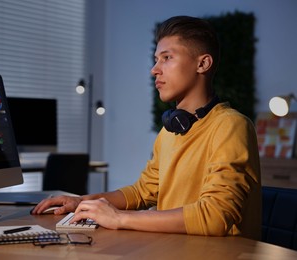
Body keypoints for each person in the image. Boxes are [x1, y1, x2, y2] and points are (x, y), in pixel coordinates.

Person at [31, 15, 262, 240]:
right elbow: (142, 192)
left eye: (167, 58)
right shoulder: (169, 131)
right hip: (175, 249)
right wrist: (82, 202)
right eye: (156, 59)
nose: (154, 69)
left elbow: (216, 215)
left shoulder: (231, 126)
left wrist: (119, 218)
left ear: (202, 63)